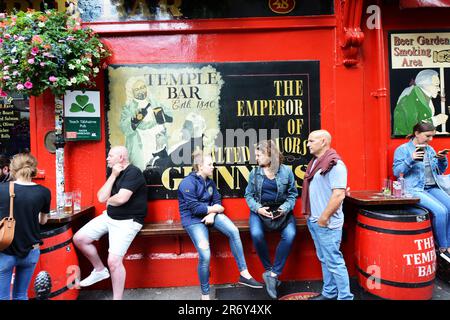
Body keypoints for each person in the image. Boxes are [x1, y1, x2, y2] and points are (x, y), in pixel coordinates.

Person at [178, 150, 262, 300]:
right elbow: (195, 209)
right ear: (200, 166)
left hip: (211, 216)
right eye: (210, 164)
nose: (213, 167)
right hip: (193, 220)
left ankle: (244, 273)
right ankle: (205, 295)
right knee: (205, 254)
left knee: (233, 231)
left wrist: (212, 213)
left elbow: (218, 202)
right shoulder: (187, 183)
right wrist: (214, 209)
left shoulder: (210, 182)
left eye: (213, 164)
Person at [73, 146, 147, 300]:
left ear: (121, 158)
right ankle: (99, 270)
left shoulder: (133, 172)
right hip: (110, 217)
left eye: (110, 156)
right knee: (79, 239)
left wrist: (110, 200)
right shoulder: (113, 172)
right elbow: (101, 197)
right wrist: (113, 176)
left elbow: (121, 199)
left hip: (128, 221)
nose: (107, 158)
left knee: (113, 261)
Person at [302, 130, 354, 300]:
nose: (308, 144)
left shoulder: (335, 164)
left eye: (311, 141)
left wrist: (323, 218)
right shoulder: (315, 162)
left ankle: (345, 297)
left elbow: (338, 194)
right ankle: (329, 293)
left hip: (327, 223)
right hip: (315, 219)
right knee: (325, 259)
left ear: (323, 141)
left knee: (334, 262)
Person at [245, 140, 298, 299]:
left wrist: (284, 209)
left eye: (259, 155)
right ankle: (269, 271)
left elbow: (292, 194)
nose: (256, 158)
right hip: (260, 210)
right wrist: (258, 208)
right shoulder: (254, 173)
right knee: (256, 234)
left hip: (281, 211)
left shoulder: (286, 171)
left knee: (290, 235)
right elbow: (248, 195)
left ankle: (273, 275)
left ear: (270, 155)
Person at [393, 122, 450, 262]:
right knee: (441, 211)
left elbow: (440, 171)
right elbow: (396, 172)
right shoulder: (403, 150)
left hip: (432, 187)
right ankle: (443, 248)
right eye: (428, 136)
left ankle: (449, 244)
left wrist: (442, 160)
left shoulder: (429, 150)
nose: (430, 140)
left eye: (432, 136)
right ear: (417, 133)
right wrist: (410, 160)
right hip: (414, 188)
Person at [0, 153, 51, 300]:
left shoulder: (2, 189)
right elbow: (43, 221)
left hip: (5, 250)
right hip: (31, 251)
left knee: (2, 296)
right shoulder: (44, 192)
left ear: (11, 169)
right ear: (33, 169)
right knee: (21, 294)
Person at [119, 78, 173, 170]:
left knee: (159, 166)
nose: (141, 90)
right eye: (137, 89)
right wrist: (135, 120)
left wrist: (162, 115)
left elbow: (170, 117)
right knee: (143, 167)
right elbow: (124, 127)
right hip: (140, 142)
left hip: (157, 140)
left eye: (143, 87)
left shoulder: (154, 102)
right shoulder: (129, 107)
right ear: (131, 92)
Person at [393, 69, 448, 136]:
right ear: (425, 85)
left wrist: (436, 133)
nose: (439, 89)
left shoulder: (425, 97)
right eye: (436, 85)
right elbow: (412, 128)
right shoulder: (409, 99)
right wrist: (435, 121)